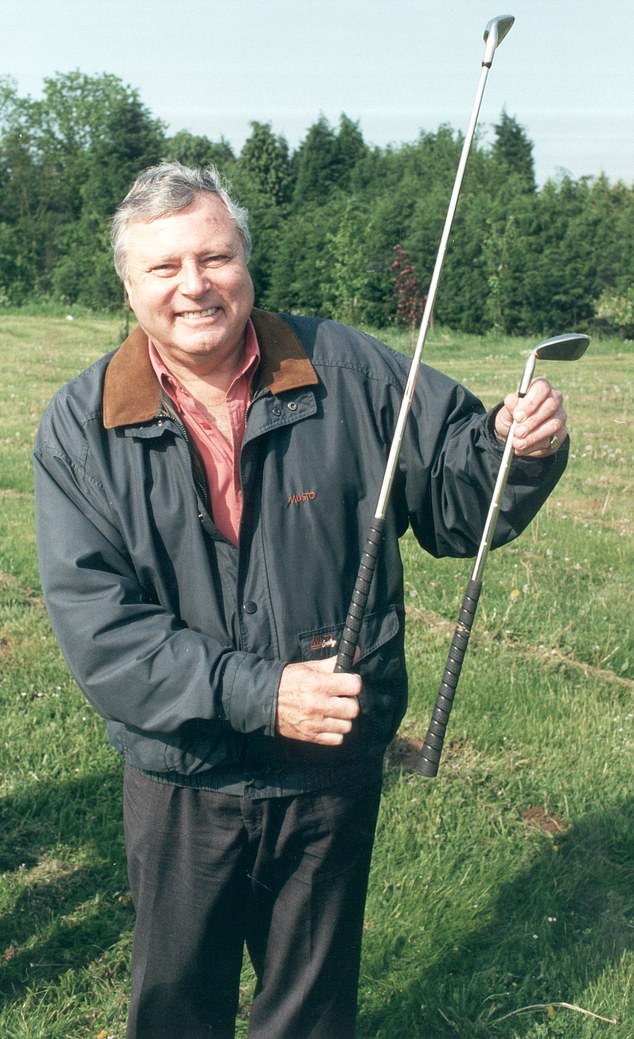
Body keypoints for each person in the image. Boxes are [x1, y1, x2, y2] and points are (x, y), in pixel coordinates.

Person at [33, 162, 569, 1039]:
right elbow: (103, 632)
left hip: (326, 768)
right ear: (128, 285)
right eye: (165, 268)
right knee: (176, 1006)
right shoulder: (80, 423)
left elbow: (458, 502)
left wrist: (516, 446)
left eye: (216, 256)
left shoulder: (349, 370)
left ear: (247, 261)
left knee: (312, 1013)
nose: (195, 285)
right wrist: (263, 691)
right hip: (183, 772)